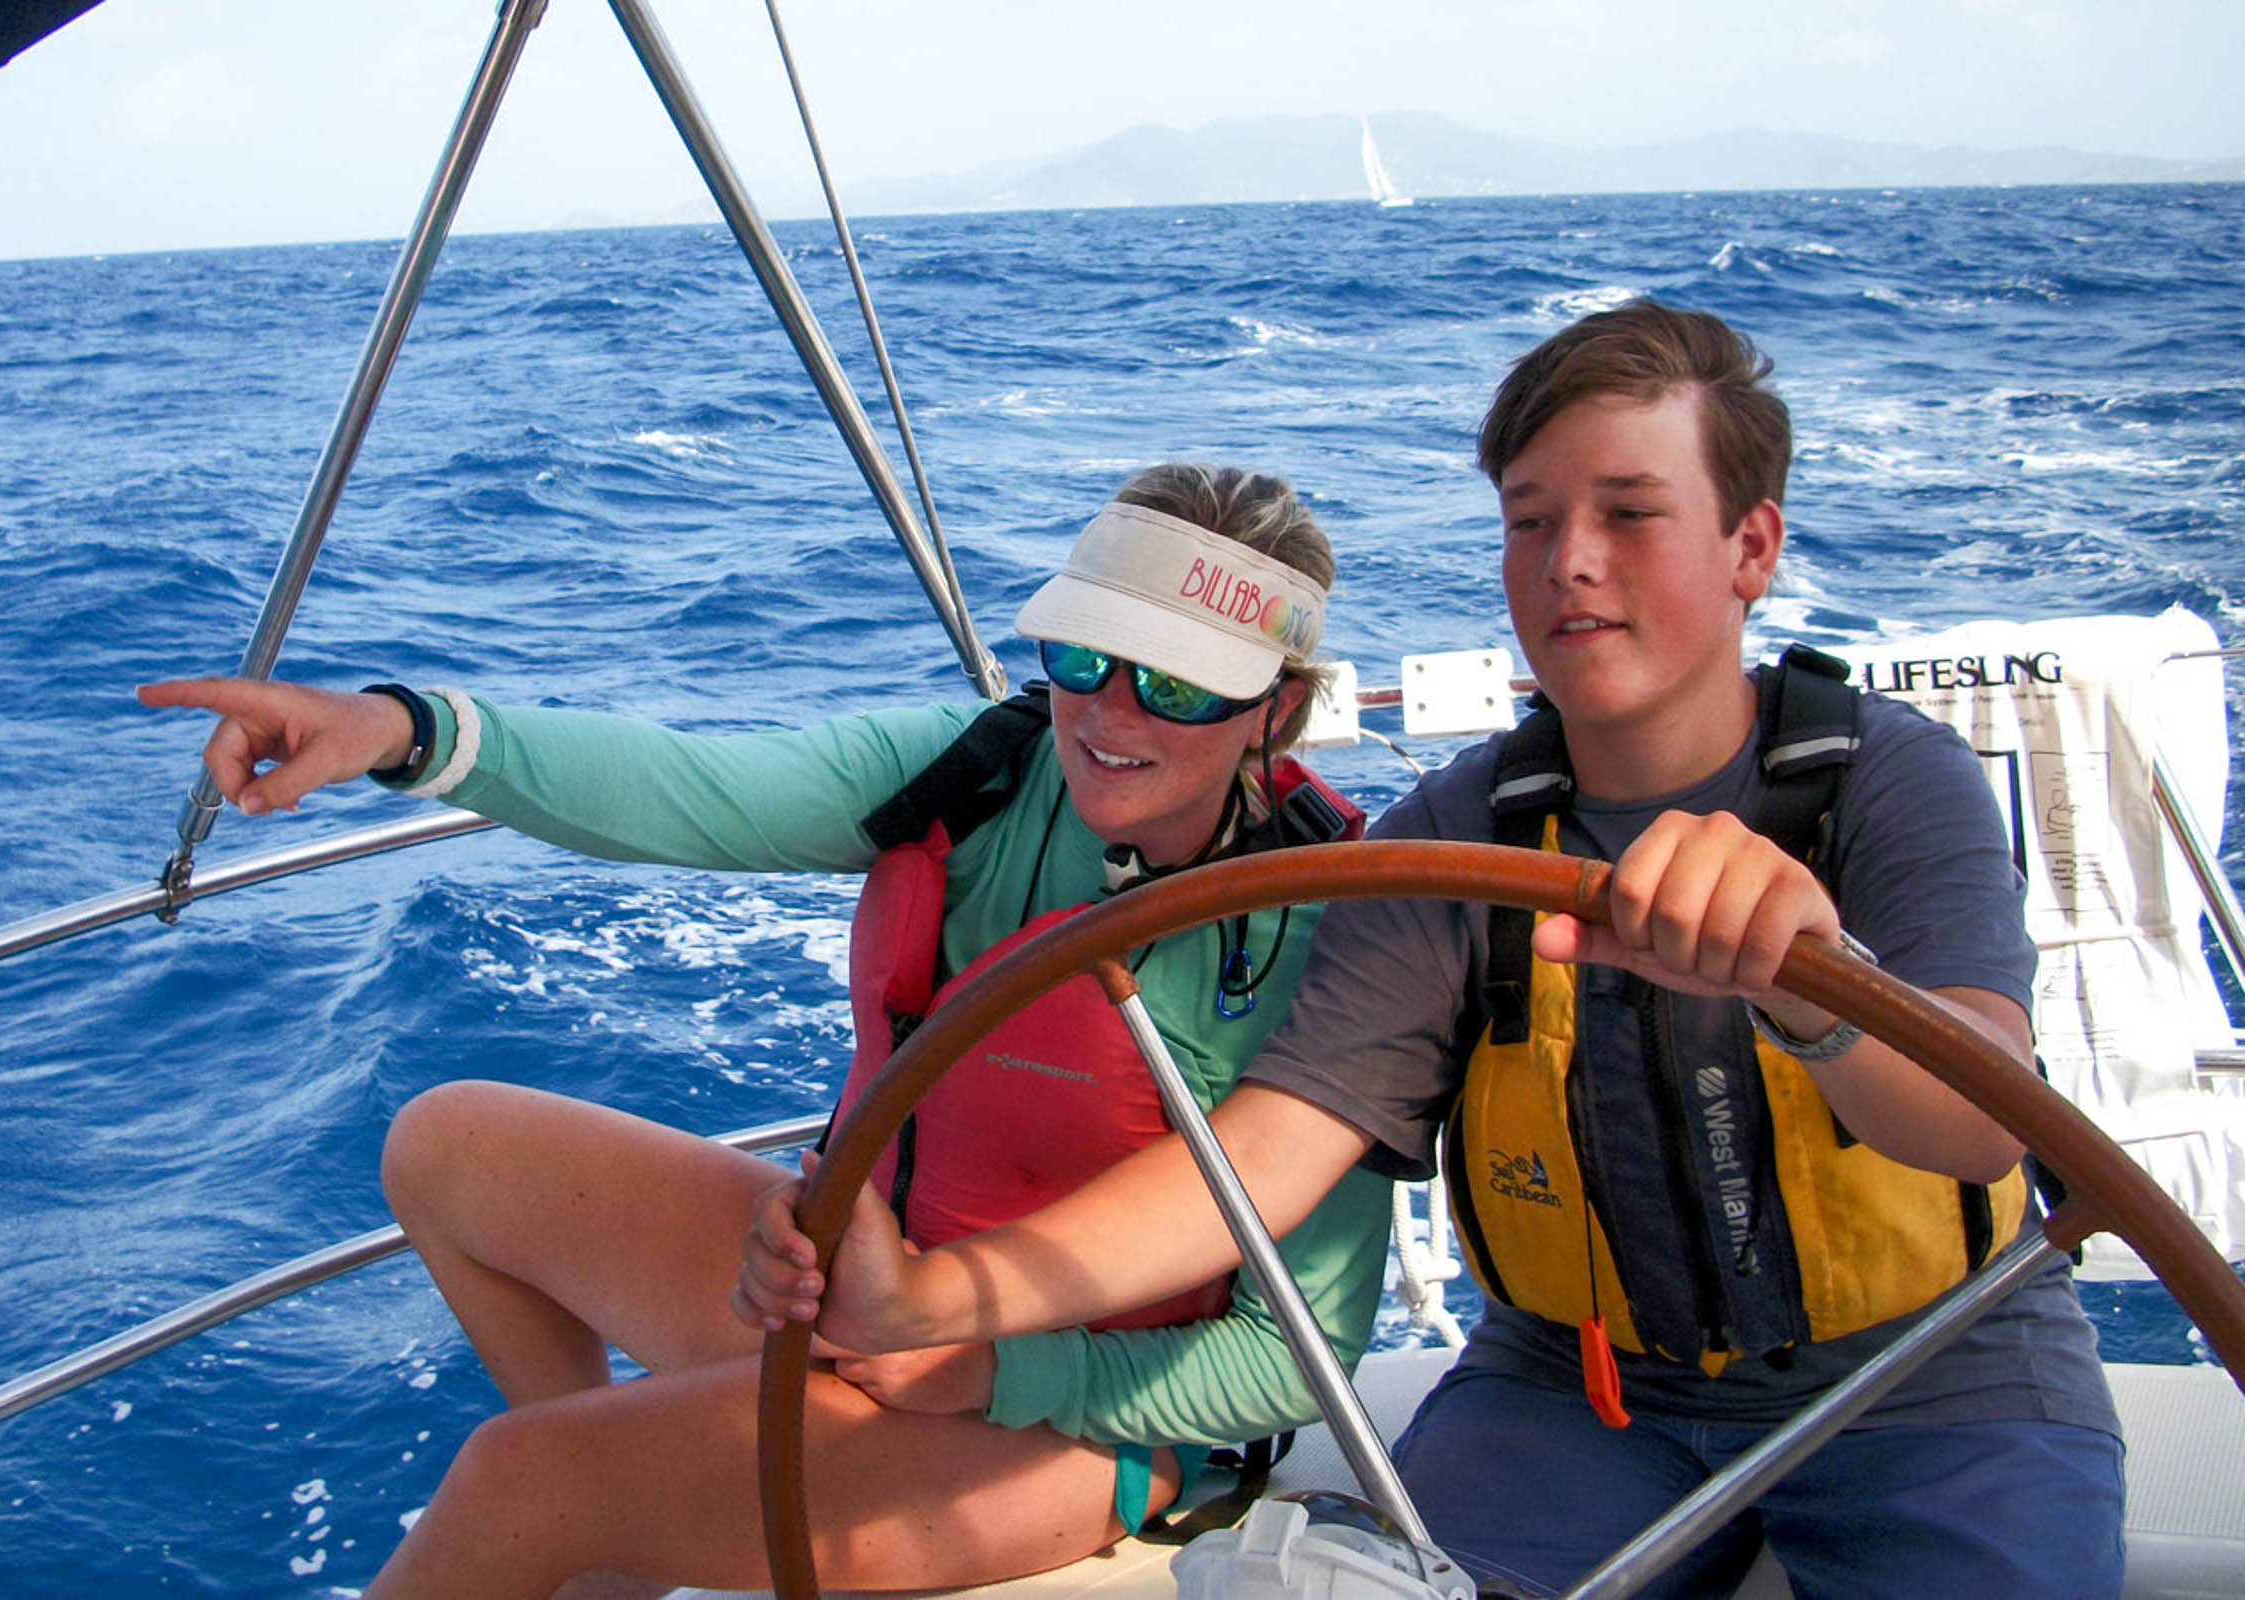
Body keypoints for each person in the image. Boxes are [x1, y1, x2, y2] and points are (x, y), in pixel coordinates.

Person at [745, 304, 2125, 1597]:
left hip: (1942, 1375)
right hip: (1578, 1395)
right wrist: (936, 1298)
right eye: (1532, 522)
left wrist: (1812, 992)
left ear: (1752, 550)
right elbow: (1264, 1160)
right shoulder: (1450, 843)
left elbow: (1980, 1125)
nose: (1570, 561)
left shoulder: (1889, 782)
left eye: (1629, 515)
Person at [138, 462, 1399, 1597]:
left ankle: (589, 1511)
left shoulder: (1327, 942)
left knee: (517, 1478)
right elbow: (699, 791)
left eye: (1176, 684)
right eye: (1083, 657)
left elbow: (1298, 1359)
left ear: (1275, 714)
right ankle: (620, 1544)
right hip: (859, 1303)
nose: (1111, 713)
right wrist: (402, 732)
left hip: (1087, 1421)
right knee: (447, 1146)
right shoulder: (979, 774)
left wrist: (991, 1368)